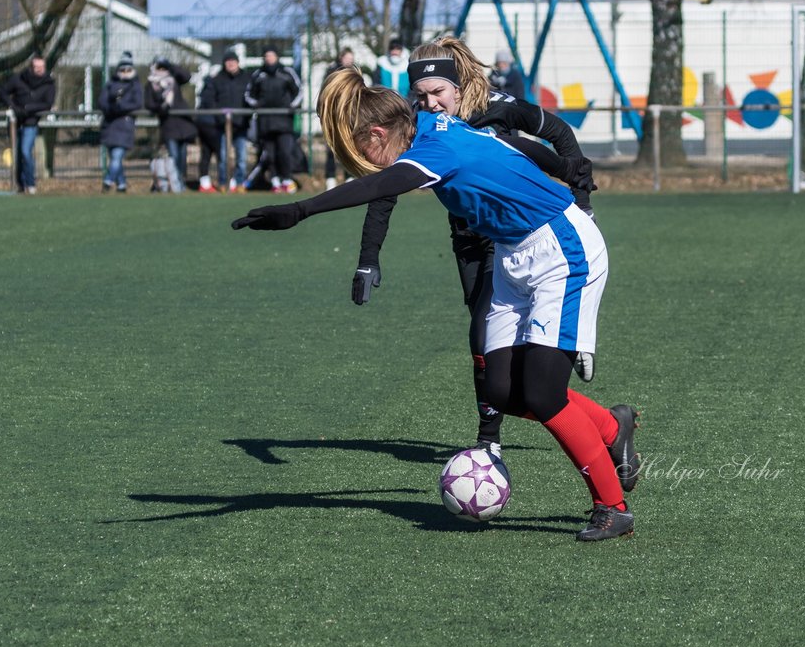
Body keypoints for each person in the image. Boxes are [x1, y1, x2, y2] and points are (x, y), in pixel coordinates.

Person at [233, 68, 639, 542]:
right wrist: (559, 167)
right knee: (504, 393)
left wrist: (300, 210)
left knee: (544, 394)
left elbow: (378, 187)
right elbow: (502, 146)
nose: (365, 163)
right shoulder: (428, 124)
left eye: (362, 150)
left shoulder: (434, 146)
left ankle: (613, 507)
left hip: (561, 249)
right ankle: (613, 427)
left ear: (379, 134)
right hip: (514, 254)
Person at [352, 36, 605, 462]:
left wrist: (582, 200)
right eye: (421, 94)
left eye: (435, 91)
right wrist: (368, 258)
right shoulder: (417, 123)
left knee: (484, 334)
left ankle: (490, 436)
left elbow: (556, 135)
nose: (429, 101)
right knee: (488, 347)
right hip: (469, 241)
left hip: (520, 235)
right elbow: (384, 187)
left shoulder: (496, 106)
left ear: (453, 81)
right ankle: (506, 427)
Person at [244, 46, 303, 194]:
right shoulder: (258, 74)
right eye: (266, 56)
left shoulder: (287, 72)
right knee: (269, 154)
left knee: (285, 151)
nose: (269, 58)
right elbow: (249, 95)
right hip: (265, 122)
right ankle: (275, 180)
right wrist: (256, 104)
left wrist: (292, 106)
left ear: (277, 57)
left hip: (284, 121)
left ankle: (287, 179)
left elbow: (299, 91)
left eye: (271, 55)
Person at [0, 54, 56, 194]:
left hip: (31, 122)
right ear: (31, 67)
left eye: (42, 67)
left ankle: (30, 184)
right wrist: (13, 106)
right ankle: (19, 184)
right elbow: (3, 92)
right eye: (36, 67)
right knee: (17, 154)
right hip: (15, 122)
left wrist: (28, 109)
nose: (39, 69)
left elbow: (47, 104)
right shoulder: (18, 79)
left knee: (25, 151)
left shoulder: (49, 84)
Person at [198, 50, 253, 192]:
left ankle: (239, 183)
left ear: (238, 62)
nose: (231, 64)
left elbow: (252, 98)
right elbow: (210, 100)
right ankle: (223, 182)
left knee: (241, 156)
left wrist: (247, 115)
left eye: (233, 61)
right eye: (228, 61)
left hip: (241, 124)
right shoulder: (217, 80)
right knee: (223, 157)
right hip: (222, 125)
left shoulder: (247, 78)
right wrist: (219, 117)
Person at [145, 55, 193, 193]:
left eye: (163, 67)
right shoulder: (151, 84)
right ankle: (177, 185)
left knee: (182, 158)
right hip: (168, 126)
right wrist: (162, 106)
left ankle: (179, 182)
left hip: (183, 125)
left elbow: (186, 76)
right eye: (158, 67)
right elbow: (149, 103)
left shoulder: (173, 79)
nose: (161, 70)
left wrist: (170, 65)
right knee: (174, 157)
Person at [99, 52, 143, 193]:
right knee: (114, 157)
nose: (125, 72)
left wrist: (119, 107)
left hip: (124, 126)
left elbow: (137, 103)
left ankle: (108, 181)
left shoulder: (135, 86)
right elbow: (102, 102)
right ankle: (122, 185)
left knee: (117, 156)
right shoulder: (110, 84)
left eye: (128, 70)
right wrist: (112, 107)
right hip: (110, 125)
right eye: (122, 70)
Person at [322, 48, 357, 190]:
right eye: (347, 57)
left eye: (351, 58)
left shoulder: (355, 72)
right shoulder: (332, 72)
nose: (349, 60)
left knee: (349, 146)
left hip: (349, 115)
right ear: (341, 58)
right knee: (332, 147)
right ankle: (330, 178)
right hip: (334, 115)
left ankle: (349, 176)